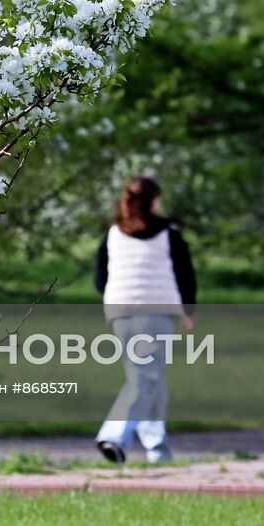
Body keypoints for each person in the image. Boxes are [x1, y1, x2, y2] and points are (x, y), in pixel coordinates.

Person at [92, 175, 196, 464]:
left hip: (119, 311)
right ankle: (113, 436)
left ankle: (158, 450)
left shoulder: (113, 233)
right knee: (146, 378)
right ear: (152, 201)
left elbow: (100, 277)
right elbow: (185, 273)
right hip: (155, 313)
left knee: (147, 378)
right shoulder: (168, 233)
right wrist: (188, 309)